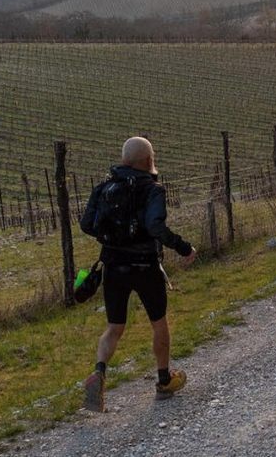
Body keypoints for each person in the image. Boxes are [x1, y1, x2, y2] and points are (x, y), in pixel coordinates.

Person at [79, 136, 197, 412]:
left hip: (112, 266)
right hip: (145, 266)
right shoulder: (153, 189)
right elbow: (155, 226)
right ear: (149, 161)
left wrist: (113, 238)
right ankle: (164, 380)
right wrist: (183, 247)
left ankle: (99, 372)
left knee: (114, 328)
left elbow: (86, 224)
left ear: (123, 160)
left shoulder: (104, 187)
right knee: (159, 323)